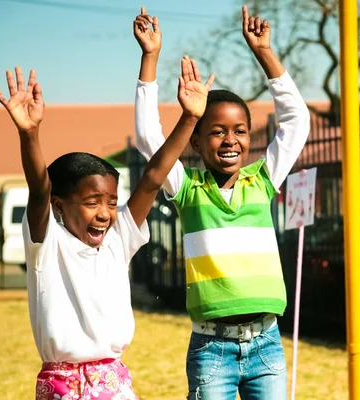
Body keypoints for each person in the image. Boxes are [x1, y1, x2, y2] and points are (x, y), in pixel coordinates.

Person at [0, 52, 214, 399]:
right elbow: (39, 188)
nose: (105, 213)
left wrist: (188, 118)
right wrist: (29, 133)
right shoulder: (47, 244)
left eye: (111, 203)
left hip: (113, 384)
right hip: (61, 386)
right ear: (59, 206)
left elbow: (153, 177)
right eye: (92, 202)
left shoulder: (117, 240)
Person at [133, 5, 310, 399]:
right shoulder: (186, 189)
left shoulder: (262, 180)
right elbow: (148, 139)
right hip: (211, 350)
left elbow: (297, 120)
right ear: (195, 141)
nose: (230, 140)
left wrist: (264, 52)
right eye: (216, 131)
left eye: (240, 130)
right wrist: (150, 59)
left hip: (267, 346)